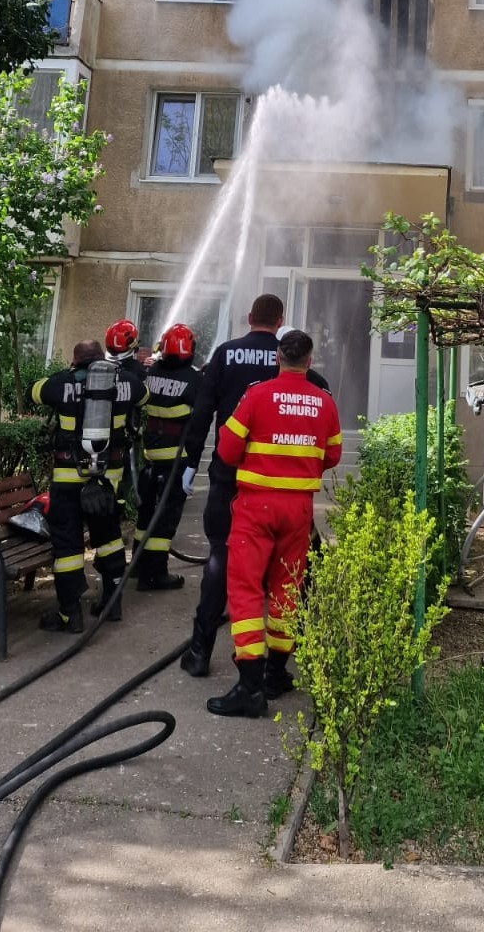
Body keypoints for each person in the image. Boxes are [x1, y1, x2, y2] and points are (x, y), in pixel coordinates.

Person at [179, 294, 330, 676]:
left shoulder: (226, 354)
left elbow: (200, 414)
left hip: (230, 480)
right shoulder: (301, 372)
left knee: (221, 561)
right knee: (285, 576)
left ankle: (199, 651)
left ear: (249, 317)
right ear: (281, 322)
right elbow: (320, 409)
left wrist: (188, 463)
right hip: (284, 491)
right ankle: (277, 666)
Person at [207, 329, 341, 717]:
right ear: (310, 361)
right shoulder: (324, 402)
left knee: (246, 590)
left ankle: (249, 688)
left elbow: (227, 450)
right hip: (298, 510)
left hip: (255, 508)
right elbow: (332, 456)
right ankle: (276, 673)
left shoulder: (256, 395)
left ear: (277, 358)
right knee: (287, 589)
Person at [30, 340, 146, 632]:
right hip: (108, 478)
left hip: (68, 479)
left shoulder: (61, 383)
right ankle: (112, 602)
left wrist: (64, 378)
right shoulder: (127, 382)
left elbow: (33, 392)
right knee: (108, 539)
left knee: (68, 547)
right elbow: (145, 397)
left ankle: (70, 615)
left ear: (75, 360)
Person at [131, 322, 203, 592]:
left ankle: (138, 565)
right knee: (166, 517)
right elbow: (199, 424)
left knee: (145, 512)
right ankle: (155, 574)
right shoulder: (195, 380)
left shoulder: (150, 372)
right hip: (176, 459)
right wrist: (193, 464)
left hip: (149, 456)